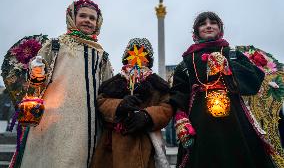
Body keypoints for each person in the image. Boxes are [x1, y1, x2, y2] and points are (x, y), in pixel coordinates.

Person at [12, 0, 113, 168]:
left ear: (98, 23)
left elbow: (107, 88)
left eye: (92, 18)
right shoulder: (55, 45)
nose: (87, 21)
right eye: (83, 16)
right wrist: (36, 71)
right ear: (72, 17)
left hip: (87, 123)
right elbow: (36, 78)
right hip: (53, 120)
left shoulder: (101, 54)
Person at [170, 12, 275, 168]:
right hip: (200, 123)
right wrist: (180, 117)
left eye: (213, 22)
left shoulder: (232, 54)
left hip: (235, 120)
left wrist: (228, 68)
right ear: (196, 31)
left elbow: (254, 80)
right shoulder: (186, 62)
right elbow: (178, 92)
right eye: (203, 23)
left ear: (220, 29)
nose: (208, 25)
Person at [92, 38, 173, 168]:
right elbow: (101, 102)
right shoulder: (114, 82)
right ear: (126, 57)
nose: (137, 59)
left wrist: (147, 116)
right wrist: (119, 105)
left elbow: (167, 106)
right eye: (132, 55)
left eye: (143, 55)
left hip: (145, 142)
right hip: (113, 144)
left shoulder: (157, 84)